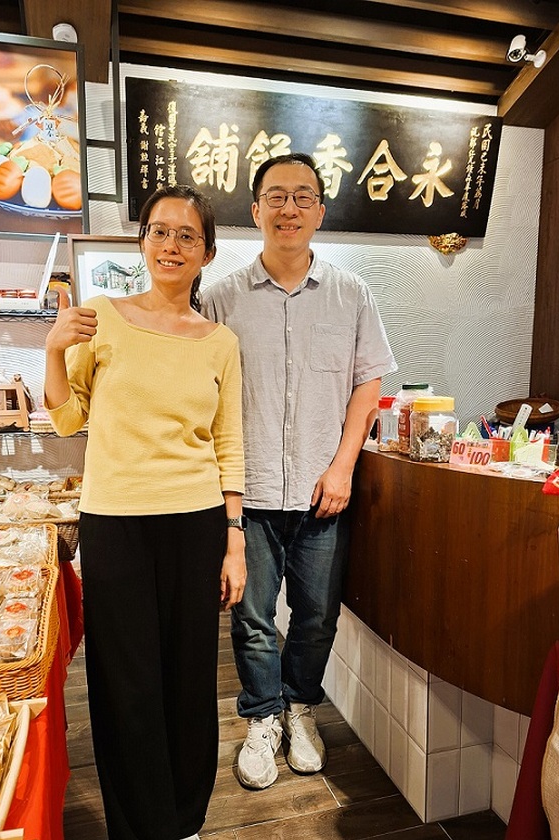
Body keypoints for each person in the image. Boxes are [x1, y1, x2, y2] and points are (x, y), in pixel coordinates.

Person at [44, 184, 246, 840]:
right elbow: (69, 419)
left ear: (206, 254)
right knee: (125, 685)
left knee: (190, 681)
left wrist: (234, 537)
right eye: (159, 232)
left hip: (194, 524)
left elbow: (229, 443)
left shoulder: (220, 341)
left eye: (186, 236)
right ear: (142, 243)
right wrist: (51, 350)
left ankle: (184, 820)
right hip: (117, 525)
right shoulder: (101, 318)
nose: (171, 245)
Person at [202, 153, 396, 790]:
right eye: (276, 196)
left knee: (316, 614)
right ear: (255, 209)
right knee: (253, 616)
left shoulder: (351, 294)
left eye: (303, 197)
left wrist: (343, 466)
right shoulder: (221, 297)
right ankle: (261, 718)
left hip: (323, 491)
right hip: (250, 491)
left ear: (320, 210)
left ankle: (300, 710)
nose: (289, 208)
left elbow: (367, 385)